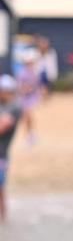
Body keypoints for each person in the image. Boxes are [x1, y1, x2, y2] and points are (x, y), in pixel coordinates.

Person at [0, 75, 22, 223]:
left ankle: (4, 219)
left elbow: (2, 127)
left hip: (1, 154)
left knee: (0, 189)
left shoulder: (15, 107)